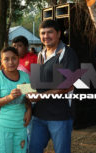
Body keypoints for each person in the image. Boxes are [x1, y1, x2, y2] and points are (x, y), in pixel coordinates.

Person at [28, 20, 79, 153]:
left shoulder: (67, 53)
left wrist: (40, 96)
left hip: (60, 116)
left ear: (58, 34)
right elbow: (36, 84)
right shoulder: (40, 54)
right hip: (38, 115)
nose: (46, 36)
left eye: (50, 32)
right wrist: (26, 92)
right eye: (43, 33)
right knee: (33, 149)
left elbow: (68, 85)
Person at [0, 47, 32, 153]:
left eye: (14, 58)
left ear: (18, 59)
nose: (11, 62)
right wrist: (9, 97)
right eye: (6, 59)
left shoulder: (25, 76)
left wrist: (29, 110)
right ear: (1, 61)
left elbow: (29, 98)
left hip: (21, 126)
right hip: (2, 126)